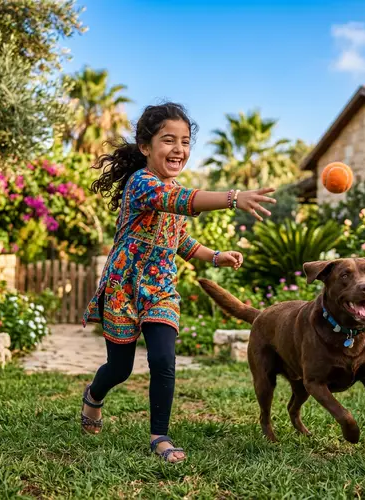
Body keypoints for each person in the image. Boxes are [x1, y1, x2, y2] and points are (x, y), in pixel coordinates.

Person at [81, 102, 276, 463]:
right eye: (168, 140)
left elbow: (180, 239)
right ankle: (94, 395)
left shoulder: (174, 189)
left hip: (160, 291)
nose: (179, 149)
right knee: (120, 368)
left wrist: (215, 255)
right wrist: (234, 198)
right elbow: (182, 201)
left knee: (163, 359)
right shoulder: (142, 184)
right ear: (145, 147)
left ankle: (160, 435)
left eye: (185, 142)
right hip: (124, 289)